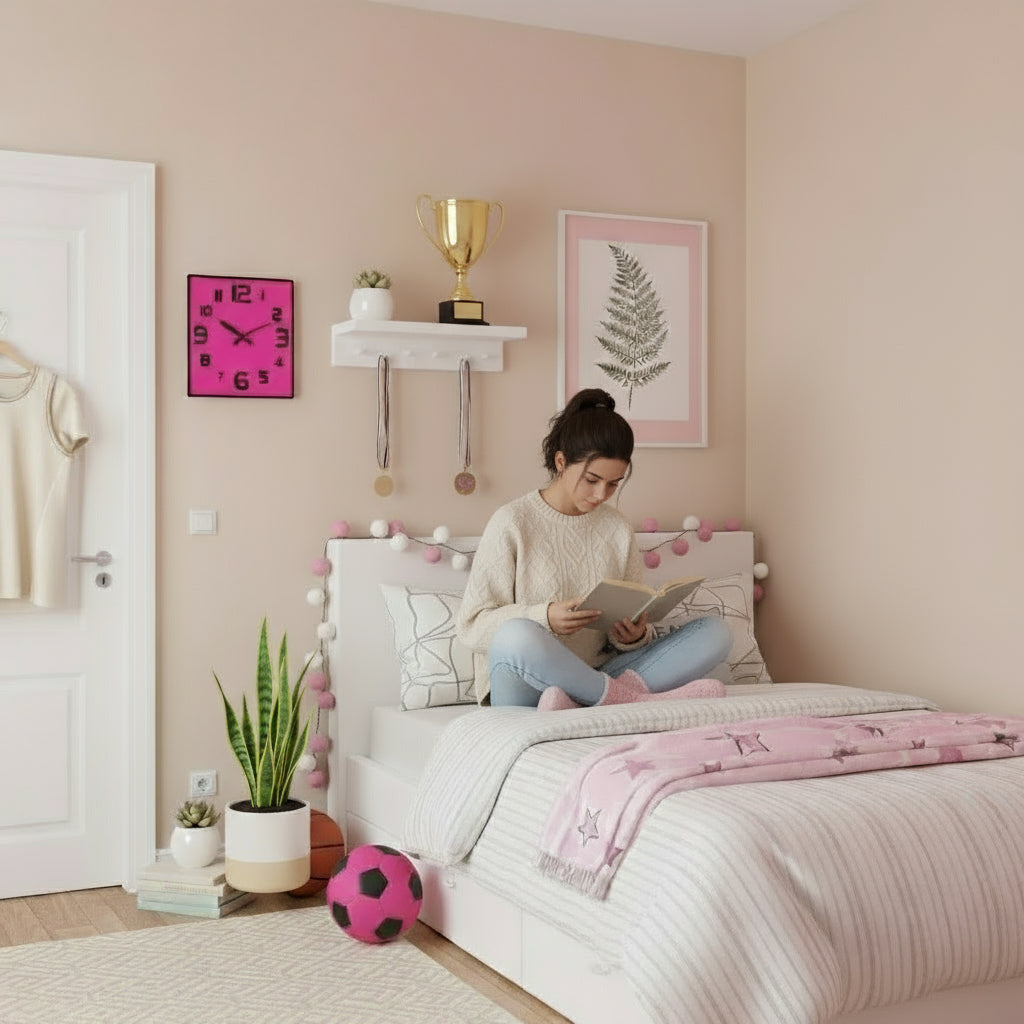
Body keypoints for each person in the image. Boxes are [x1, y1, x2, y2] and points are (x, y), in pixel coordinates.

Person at [456, 387, 732, 709]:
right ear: (561, 461)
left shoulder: (616, 528)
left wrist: (632, 636)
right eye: (592, 480)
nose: (602, 494)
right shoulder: (512, 522)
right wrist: (543, 617)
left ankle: (589, 700)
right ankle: (621, 700)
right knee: (516, 634)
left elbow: (626, 622)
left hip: (600, 674)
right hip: (528, 685)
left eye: (614, 483)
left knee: (715, 633)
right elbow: (471, 627)